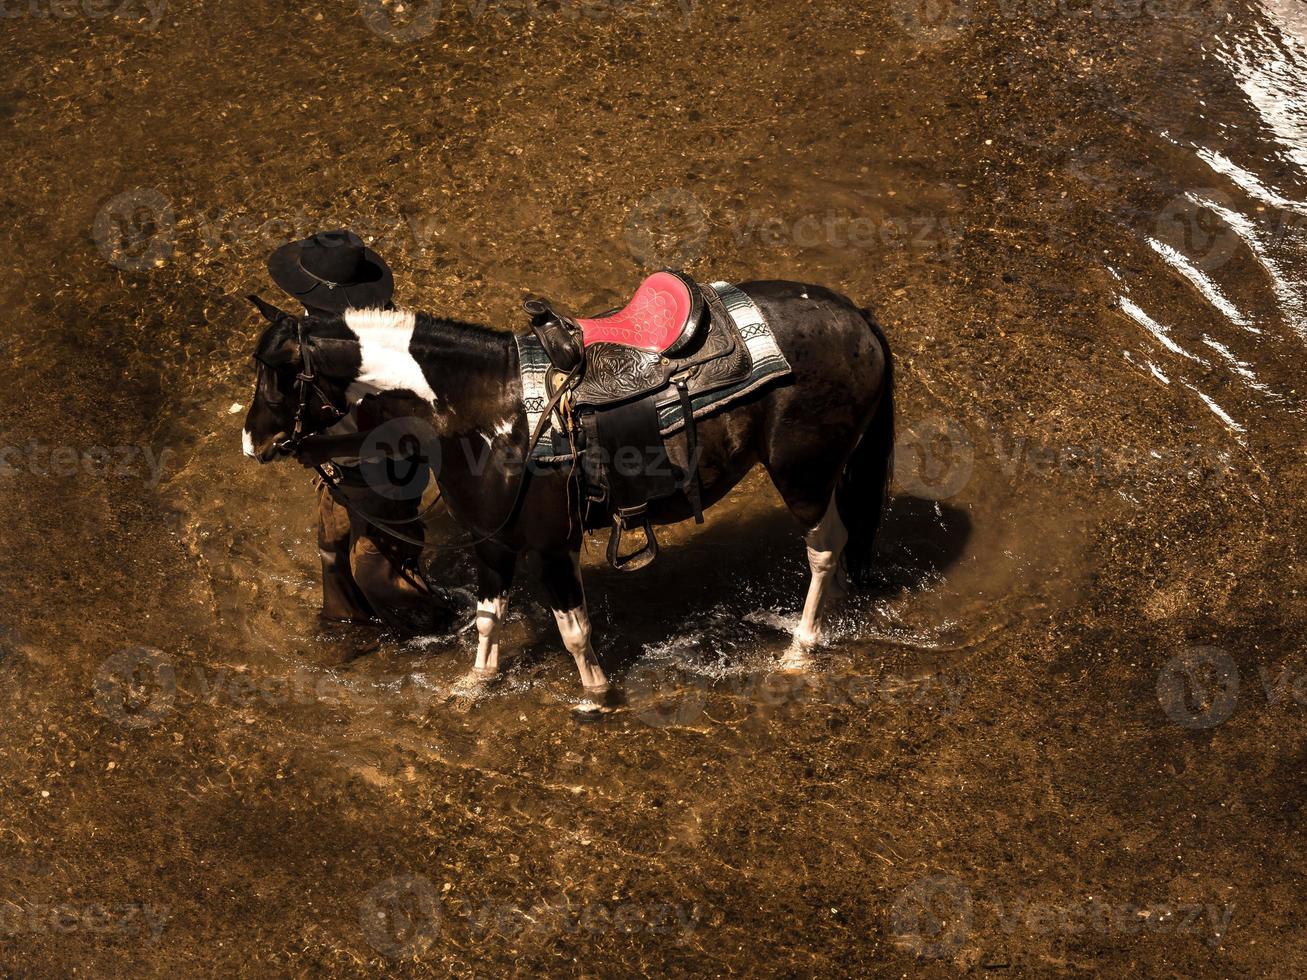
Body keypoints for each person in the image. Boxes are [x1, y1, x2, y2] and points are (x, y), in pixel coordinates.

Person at [267, 230, 448, 633]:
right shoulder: (320, 335)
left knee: (378, 571)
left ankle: (439, 631)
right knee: (332, 553)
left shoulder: (383, 357)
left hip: (385, 474)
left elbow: (405, 436)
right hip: (341, 469)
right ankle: (350, 627)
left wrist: (325, 447)